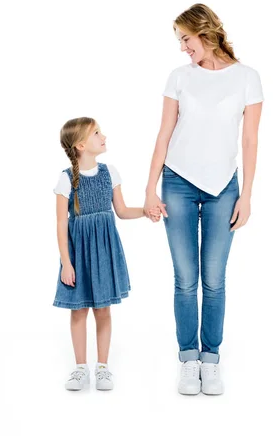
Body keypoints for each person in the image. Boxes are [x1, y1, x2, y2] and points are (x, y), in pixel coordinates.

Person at [143, 3, 264, 396]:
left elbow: (249, 140)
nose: (182, 48)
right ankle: (187, 358)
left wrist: (246, 195)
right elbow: (164, 134)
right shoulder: (179, 77)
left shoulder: (247, 78)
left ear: (205, 33)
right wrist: (149, 188)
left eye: (185, 39)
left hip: (223, 188)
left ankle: (210, 360)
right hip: (177, 182)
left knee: (213, 280)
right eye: (179, 41)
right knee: (185, 280)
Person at [53, 117, 160, 391]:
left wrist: (146, 212)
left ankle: (102, 367)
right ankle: (80, 368)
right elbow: (61, 224)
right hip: (79, 255)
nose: (104, 136)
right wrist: (66, 262)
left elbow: (122, 211)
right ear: (80, 145)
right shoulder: (65, 180)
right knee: (78, 312)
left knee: (103, 310)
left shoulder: (110, 172)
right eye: (97, 133)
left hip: (104, 252)